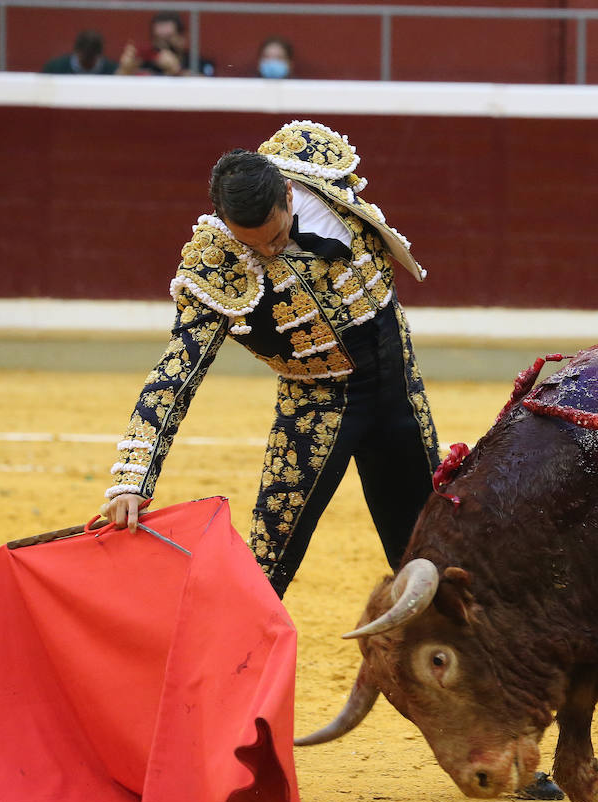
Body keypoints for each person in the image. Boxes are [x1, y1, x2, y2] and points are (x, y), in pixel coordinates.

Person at [101, 119, 438, 599]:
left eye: (275, 236)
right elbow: (176, 374)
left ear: (288, 193)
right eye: (251, 244)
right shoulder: (215, 266)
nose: (267, 250)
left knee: (428, 542)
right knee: (267, 559)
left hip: (397, 379)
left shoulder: (314, 164)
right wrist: (133, 477)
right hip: (318, 402)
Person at [117, 10, 215, 77]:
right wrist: (125, 69)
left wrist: (177, 71)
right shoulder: (145, 63)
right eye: (158, 39)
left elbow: (210, 86)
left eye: (168, 38)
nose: (163, 46)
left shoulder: (195, 62)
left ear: (182, 38)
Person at [42, 29, 117, 75]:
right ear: (77, 52)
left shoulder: (113, 71)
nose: (87, 63)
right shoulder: (55, 69)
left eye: (91, 58)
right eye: (85, 57)